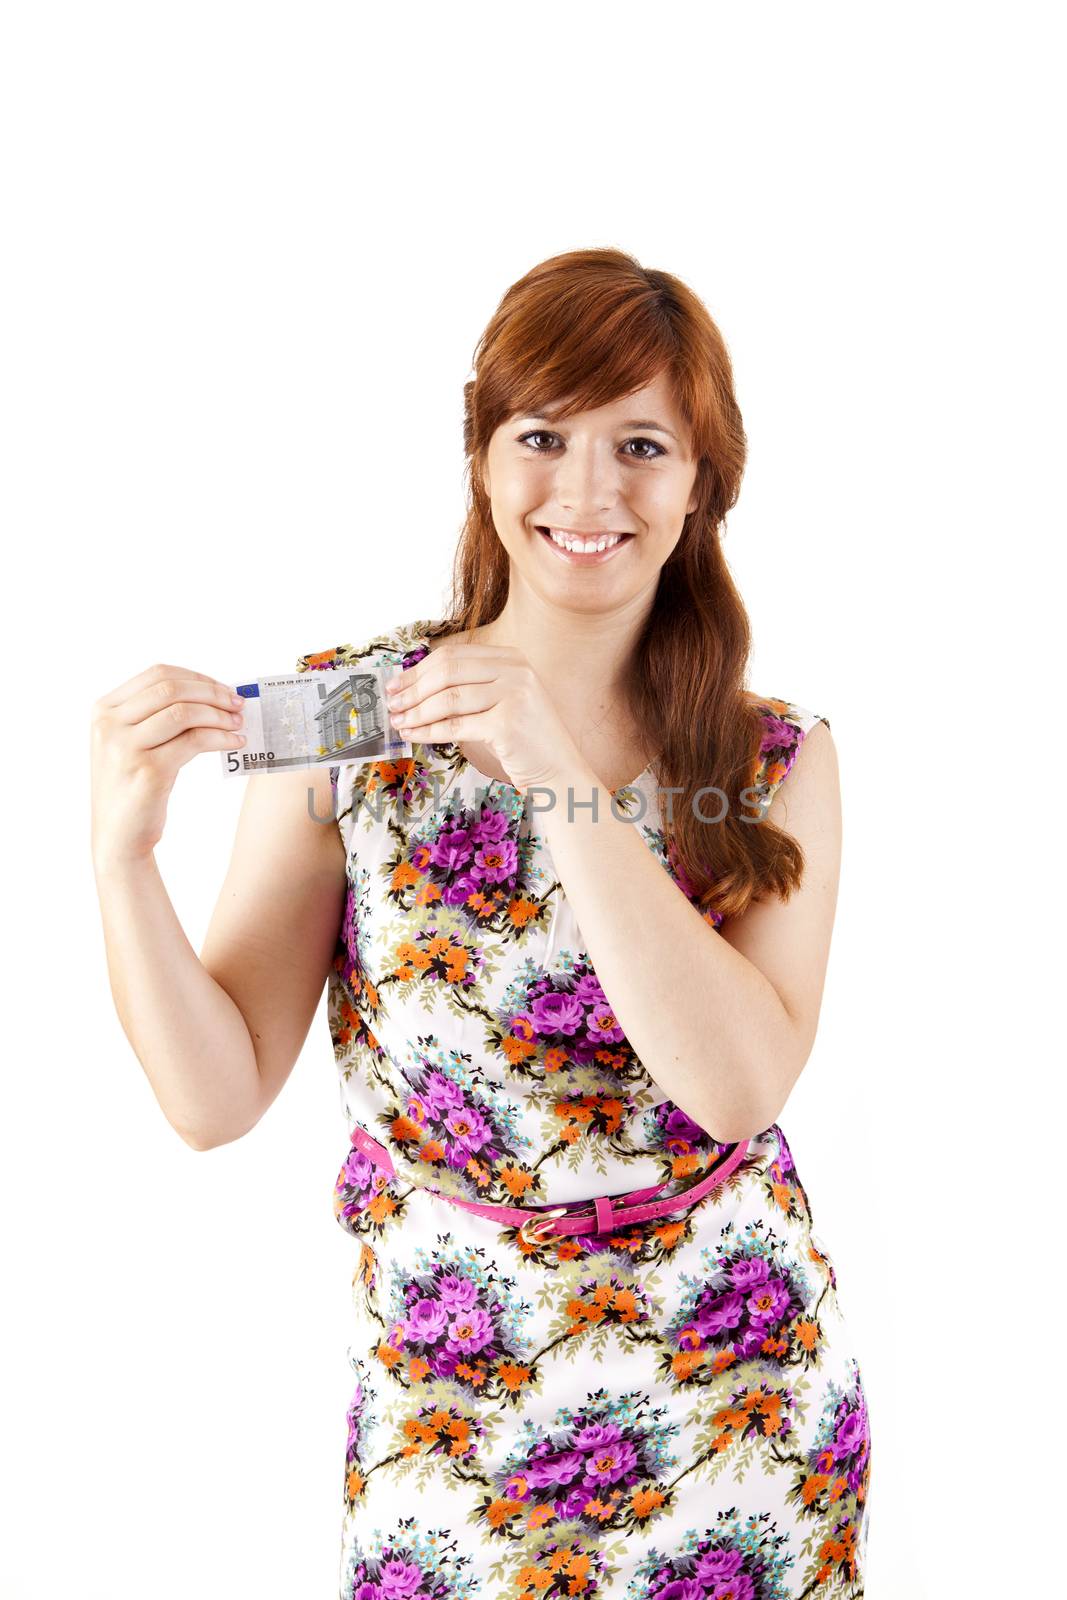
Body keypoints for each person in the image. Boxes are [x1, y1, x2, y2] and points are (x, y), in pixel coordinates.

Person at [91, 247, 871, 1598]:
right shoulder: (348, 721)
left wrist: (562, 774)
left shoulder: (773, 761)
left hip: (734, 1406)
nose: (586, 492)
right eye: (542, 436)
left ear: (702, 487)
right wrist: (121, 858)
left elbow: (738, 1086)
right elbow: (213, 1098)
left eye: (642, 445)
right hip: (447, 1411)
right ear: (481, 452)